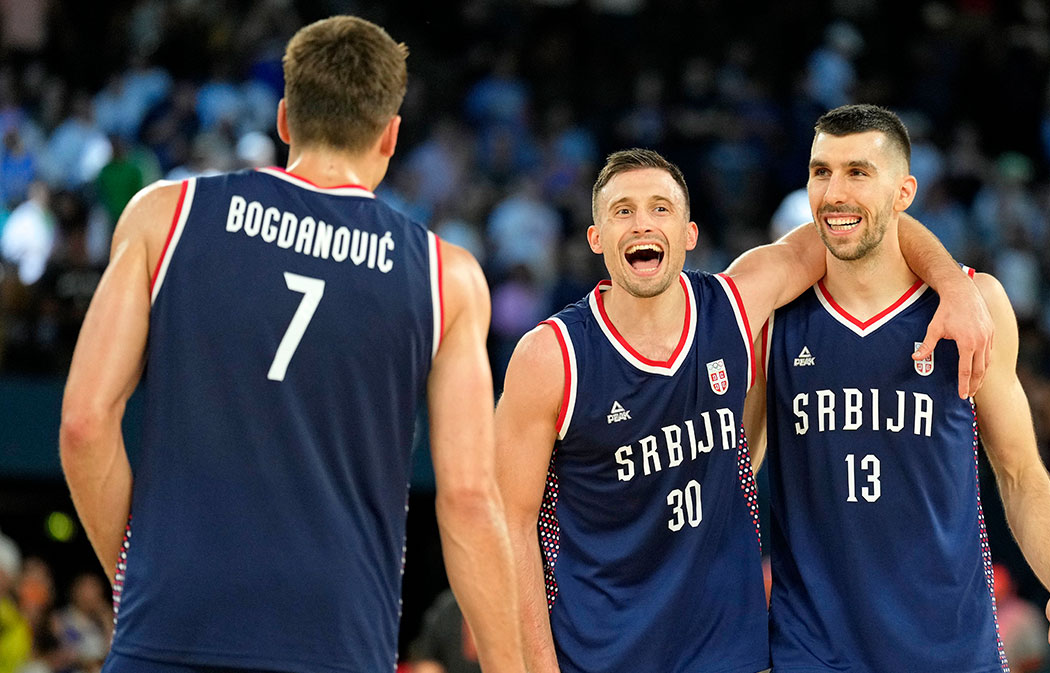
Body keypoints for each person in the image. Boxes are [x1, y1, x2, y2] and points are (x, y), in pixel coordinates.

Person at [59, 16, 522, 673]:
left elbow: (83, 425)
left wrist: (136, 580)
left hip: (170, 626)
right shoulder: (446, 277)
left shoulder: (165, 215)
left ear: (283, 118)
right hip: (335, 641)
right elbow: (471, 500)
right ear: (390, 135)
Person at [495, 147, 994, 673]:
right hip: (603, 656)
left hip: (730, 653)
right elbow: (509, 526)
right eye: (623, 211)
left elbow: (872, 225)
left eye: (660, 208)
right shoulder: (552, 357)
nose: (642, 224)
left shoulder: (733, 309)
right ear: (596, 238)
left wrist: (952, 281)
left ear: (690, 233)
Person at [755, 103, 1050, 672]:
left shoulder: (976, 305)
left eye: (858, 172)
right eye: (821, 172)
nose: (834, 192)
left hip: (949, 648)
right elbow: (735, 476)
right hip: (814, 651)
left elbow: (1018, 471)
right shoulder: (775, 318)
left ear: (904, 192)